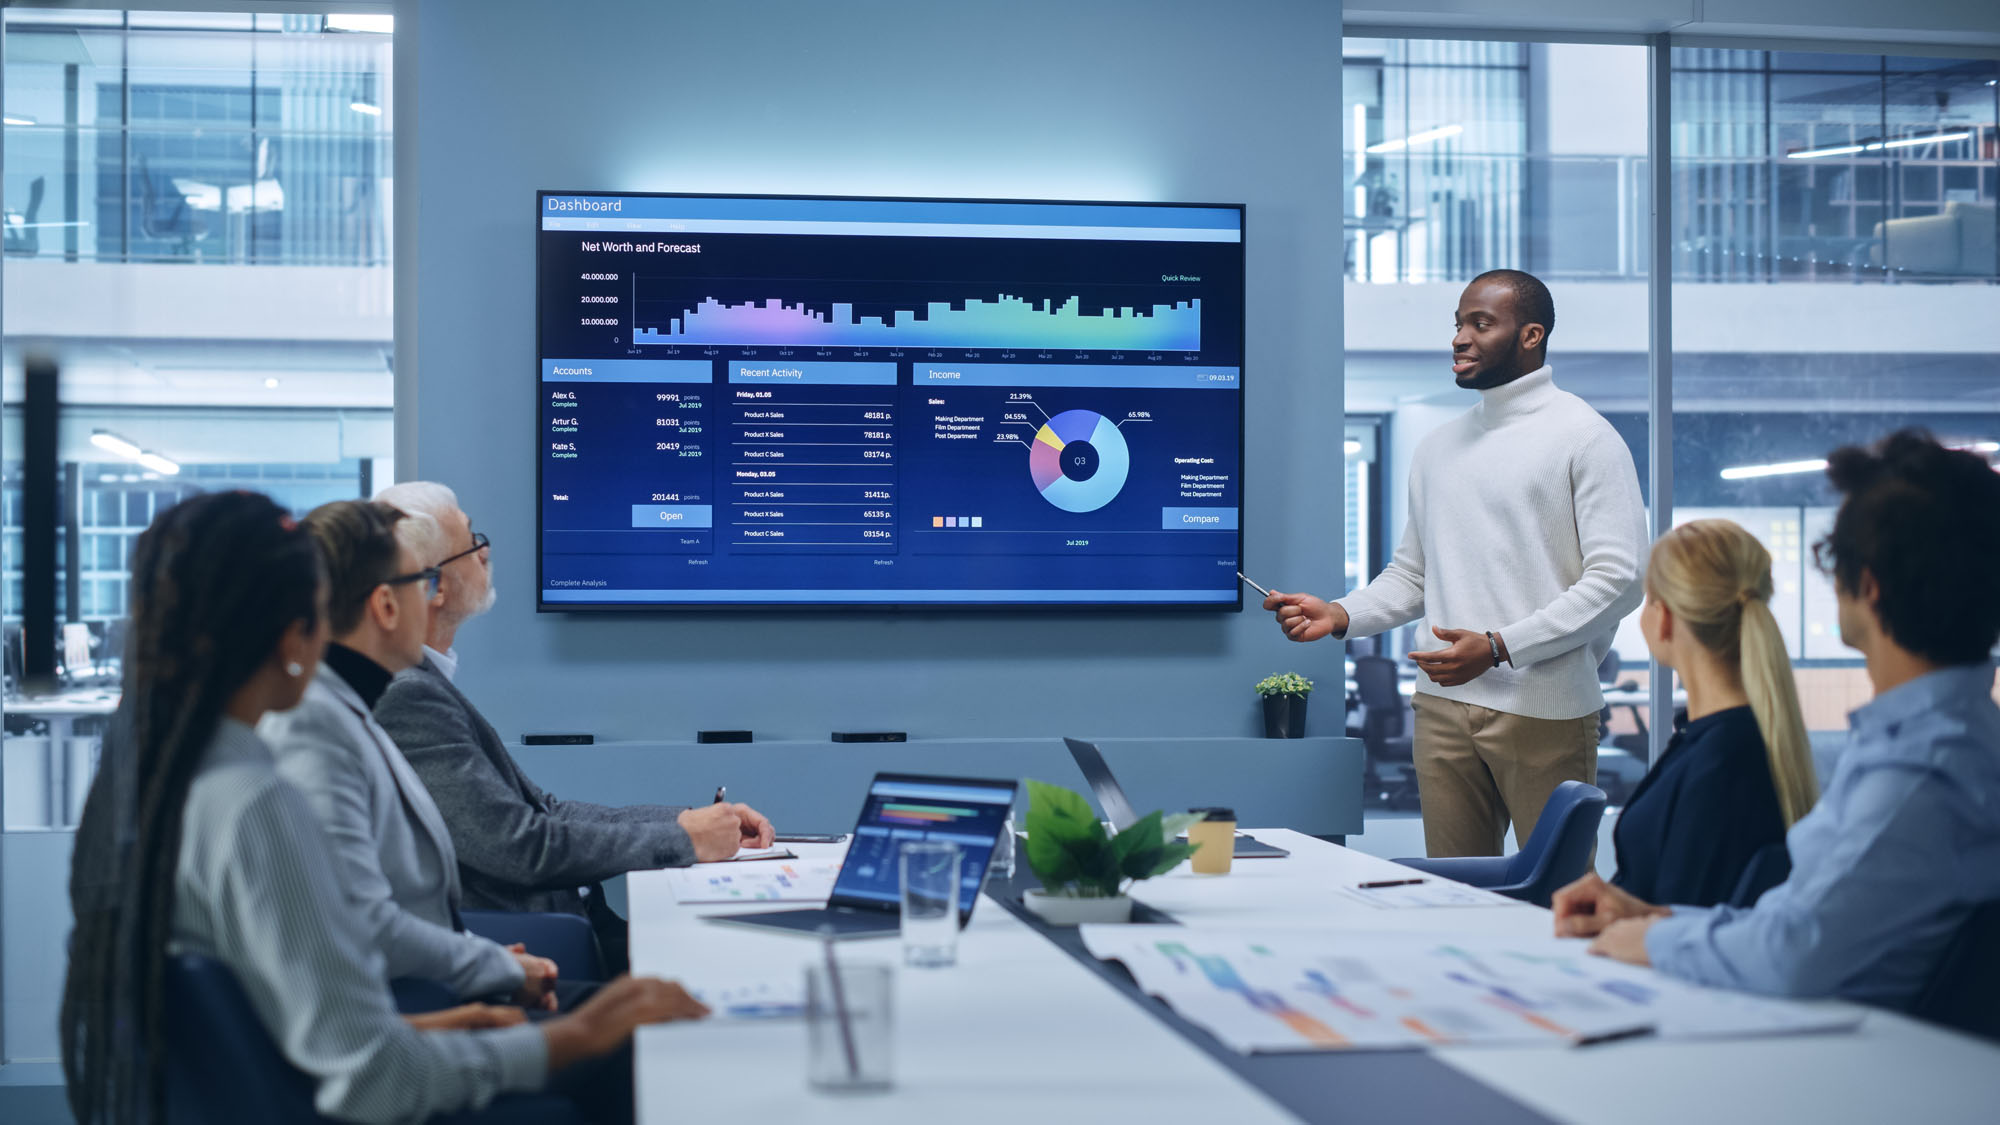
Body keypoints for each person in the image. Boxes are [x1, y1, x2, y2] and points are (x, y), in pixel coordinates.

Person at [60, 490, 707, 1125]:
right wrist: (579, 1034)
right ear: (291, 631)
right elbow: (373, 1077)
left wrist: (454, 1021)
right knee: (650, 1051)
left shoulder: (177, 772)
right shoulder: (254, 801)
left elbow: (292, 1029)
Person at [1553, 431, 2000, 1010]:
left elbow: (1794, 954)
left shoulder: (1919, 775)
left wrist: (1656, 937)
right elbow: (1802, 917)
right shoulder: (1937, 742)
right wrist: (1660, 917)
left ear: (1866, 586)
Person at [1264, 269, 1647, 857]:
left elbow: (1619, 581)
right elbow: (1414, 576)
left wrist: (1498, 646)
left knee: (1556, 895)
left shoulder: (1585, 438)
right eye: (1458, 324)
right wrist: (1340, 614)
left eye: (1481, 324)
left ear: (1531, 335)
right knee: (1454, 891)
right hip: (1440, 709)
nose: (1460, 338)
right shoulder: (1438, 447)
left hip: (1543, 710)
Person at [373, 481, 773, 975]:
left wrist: (687, 820)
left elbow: (547, 811)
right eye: (473, 543)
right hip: (545, 947)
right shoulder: (407, 694)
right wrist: (683, 840)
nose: (486, 553)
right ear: (433, 586)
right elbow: (518, 845)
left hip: (576, 923)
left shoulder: (429, 682)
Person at [263, 500, 559, 1008]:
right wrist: (495, 967)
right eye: (421, 583)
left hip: (431, 989)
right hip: (410, 1014)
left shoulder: (353, 709)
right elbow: (365, 924)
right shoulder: (318, 728)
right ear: (385, 605)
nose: (432, 601)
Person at [1609, 519, 1818, 908]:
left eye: (1646, 600)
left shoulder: (1722, 763)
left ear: (1665, 617)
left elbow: (1683, 919)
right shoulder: (1720, 740)